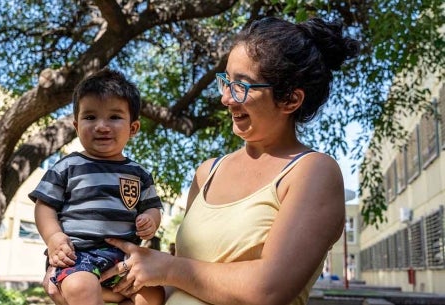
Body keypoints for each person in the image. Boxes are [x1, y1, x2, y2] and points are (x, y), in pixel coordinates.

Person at [101, 16, 359, 304]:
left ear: (290, 100)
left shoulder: (312, 172)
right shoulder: (207, 172)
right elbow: (178, 286)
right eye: (226, 81)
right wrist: (108, 288)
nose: (225, 98)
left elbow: (268, 290)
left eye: (241, 86)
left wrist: (167, 266)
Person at [29, 68, 165, 305]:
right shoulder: (68, 166)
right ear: (76, 125)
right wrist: (54, 238)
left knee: (153, 296)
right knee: (81, 286)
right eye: (90, 117)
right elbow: (44, 206)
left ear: (133, 128)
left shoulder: (139, 174)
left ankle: (110, 296)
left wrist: (150, 220)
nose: (101, 126)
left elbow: (152, 208)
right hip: (77, 256)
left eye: (114, 117)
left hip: (124, 259)